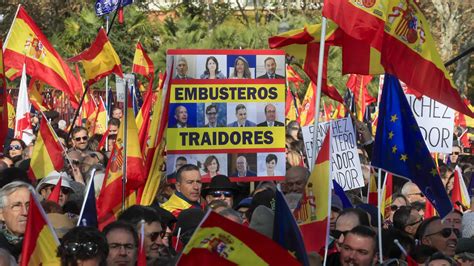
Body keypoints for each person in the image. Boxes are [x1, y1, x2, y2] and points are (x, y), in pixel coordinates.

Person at [0, 181, 33, 260]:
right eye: (16, 206)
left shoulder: (44, 242)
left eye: (29, 205)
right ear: (1, 214)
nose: (25, 212)